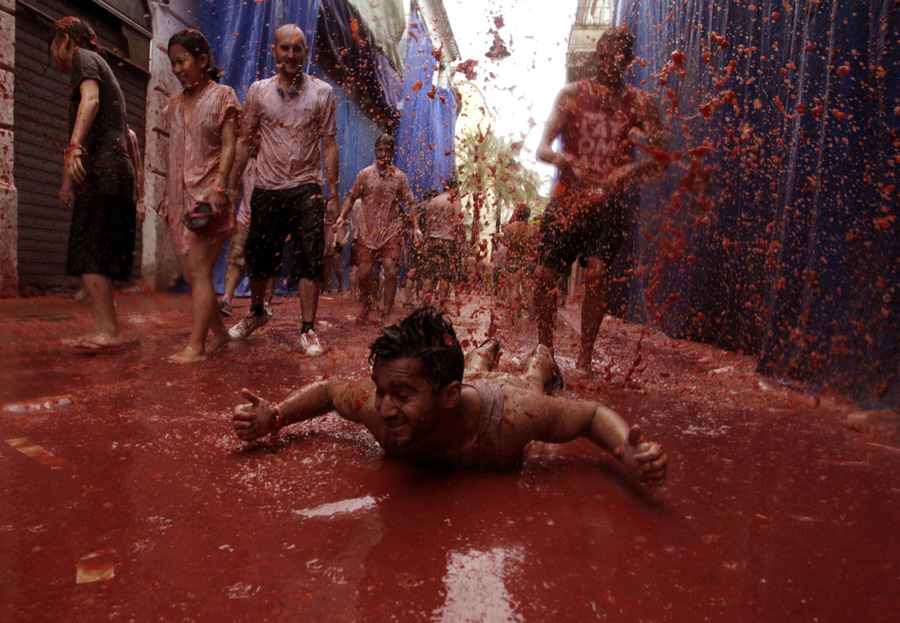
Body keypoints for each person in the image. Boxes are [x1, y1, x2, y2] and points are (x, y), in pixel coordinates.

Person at [232, 307, 667, 485]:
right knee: (472, 367)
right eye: (381, 390)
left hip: (499, 396)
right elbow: (330, 390)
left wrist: (624, 451)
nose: (385, 407)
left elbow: (590, 416)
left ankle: (540, 355)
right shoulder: (378, 408)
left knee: (532, 376)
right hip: (461, 385)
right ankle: (484, 351)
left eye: (400, 395)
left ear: (447, 397)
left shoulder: (518, 417)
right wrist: (275, 415)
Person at [534, 27, 667, 372]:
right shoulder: (571, 94)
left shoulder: (640, 102)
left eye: (616, 58)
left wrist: (626, 171)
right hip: (567, 199)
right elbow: (542, 149)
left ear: (627, 61)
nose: (608, 64)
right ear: (596, 56)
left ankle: (585, 358)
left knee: (597, 274)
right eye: (603, 57)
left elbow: (662, 155)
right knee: (545, 275)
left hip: (608, 202)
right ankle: (545, 351)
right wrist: (565, 160)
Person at [226, 24, 339, 357]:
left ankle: (308, 329)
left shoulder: (322, 93)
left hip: (307, 187)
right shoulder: (259, 91)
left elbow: (329, 144)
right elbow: (245, 141)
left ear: (306, 53)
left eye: (297, 48)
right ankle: (257, 312)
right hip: (267, 187)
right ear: (274, 51)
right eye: (285, 48)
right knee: (258, 259)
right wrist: (230, 187)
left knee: (310, 258)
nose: (291, 54)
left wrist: (333, 194)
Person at [50, 17, 138, 352]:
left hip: (105, 169)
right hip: (112, 170)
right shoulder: (101, 66)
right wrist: (66, 182)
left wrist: (74, 147)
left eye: (52, 46)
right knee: (97, 252)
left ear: (64, 39)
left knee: (88, 251)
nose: (54, 57)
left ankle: (107, 331)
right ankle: (105, 328)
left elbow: (91, 101)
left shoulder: (83, 57)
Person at [161, 29, 241, 363]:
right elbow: (172, 151)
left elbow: (230, 146)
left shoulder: (223, 96)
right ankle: (219, 335)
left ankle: (196, 348)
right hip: (178, 201)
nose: (177, 69)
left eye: (182, 61)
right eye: (173, 63)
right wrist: (166, 196)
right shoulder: (173, 103)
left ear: (203, 60)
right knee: (194, 275)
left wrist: (220, 187)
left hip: (209, 198)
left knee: (199, 274)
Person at [335, 134, 421, 326]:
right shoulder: (365, 174)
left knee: (390, 270)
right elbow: (351, 198)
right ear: (375, 151)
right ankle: (366, 305)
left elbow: (411, 203)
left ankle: (386, 312)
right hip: (368, 231)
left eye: (387, 150)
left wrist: (416, 227)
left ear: (392, 151)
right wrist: (341, 216)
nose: (383, 154)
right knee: (364, 274)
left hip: (390, 231)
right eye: (380, 150)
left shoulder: (400, 177)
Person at [218, 150, 276, 319]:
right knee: (235, 258)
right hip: (244, 219)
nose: (257, 139)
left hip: (269, 221)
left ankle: (266, 303)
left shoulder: (274, 160)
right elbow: (236, 188)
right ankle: (227, 299)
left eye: (260, 136)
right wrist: (231, 215)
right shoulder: (245, 161)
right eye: (255, 137)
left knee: (269, 264)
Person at [421, 178, 464, 304]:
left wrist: (426, 242)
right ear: (454, 188)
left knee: (429, 274)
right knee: (444, 276)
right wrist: (460, 242)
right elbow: (458, 223)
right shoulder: (455, 202)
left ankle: (425, 305)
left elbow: (427, 223)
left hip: (432, 240)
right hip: (447, 241)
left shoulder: (433, 201)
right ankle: (441, 306)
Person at [499, 204, 536, 312]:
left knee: (513, 287)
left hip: (512, 260)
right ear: (528, 215)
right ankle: (532, 313)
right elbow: (534, 244)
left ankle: (514, 312)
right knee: (528, 288)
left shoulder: (510, 228)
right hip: (527, 261)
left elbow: (506, 242)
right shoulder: (533, 229)